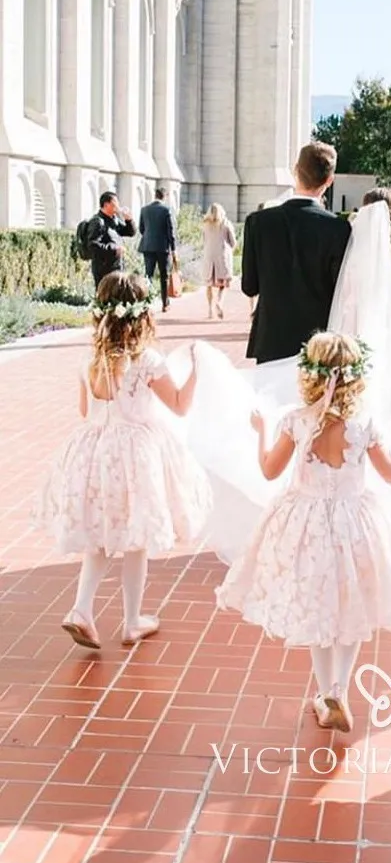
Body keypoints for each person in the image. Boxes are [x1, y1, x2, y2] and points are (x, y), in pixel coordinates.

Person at [216, 332, 391, 734]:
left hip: (306, 526)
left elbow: (270, 471)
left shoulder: (296, 421)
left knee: (318, 605)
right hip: (354, 526)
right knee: (352, 605)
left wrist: (260, 430)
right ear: (355, 377)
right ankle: (338, 690)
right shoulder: (364, 426)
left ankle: (327, 692)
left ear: (309, 374)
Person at [33, 272, 213, 651]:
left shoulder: (90, 360)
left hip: (93, 453)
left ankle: (82, 609)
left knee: (98, 537)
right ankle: (132, 621)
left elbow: (85, 411)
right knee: (136, 539)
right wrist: (198, 374)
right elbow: (179, 406)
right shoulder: (146, 360)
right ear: (141, 315)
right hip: (136, 457)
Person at [241, 142, 351, 364]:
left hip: (270, 339)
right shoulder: (338, 229)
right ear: (330, 180)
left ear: (295, 171)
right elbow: (340, 292)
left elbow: (249, 286)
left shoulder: (259, 222)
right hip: (317, 345)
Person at [86, 192, 137, 289]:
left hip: (117, 266)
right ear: (106, 205)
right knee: (104, 299)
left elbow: (130, 233)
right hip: (103, 269)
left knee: (118, 296)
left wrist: (129, 220)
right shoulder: (97, 222)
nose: (118, 206)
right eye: (115, 202)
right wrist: (115, 249)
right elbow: (92, 245)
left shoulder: (114, 219)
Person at [139, 188, 178, 313]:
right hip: (162, 247)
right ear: (164, 196)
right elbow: (170, 231)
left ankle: (145, 303)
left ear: (155, 195)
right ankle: (165, 303)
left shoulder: (144, 209)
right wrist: (173, 248)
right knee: (164, 276)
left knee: (148, 275)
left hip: (148, 246)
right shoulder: (166, 210)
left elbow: (141, 229)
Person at [202, 203, 237, 320]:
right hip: (222, 257)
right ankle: (220, 303)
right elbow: (233, 242)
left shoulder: (205, 224)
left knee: (209, 285)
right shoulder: (226, 224)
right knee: (223, 285)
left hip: (209, 256)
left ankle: (209, 310)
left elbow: (204, 240)